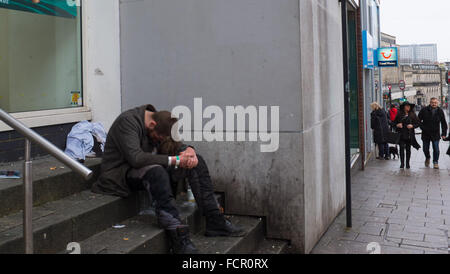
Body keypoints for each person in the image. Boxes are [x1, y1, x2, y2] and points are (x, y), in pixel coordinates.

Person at [91, 105, 244, 254]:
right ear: (152, 125)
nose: (161, 140)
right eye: (160, 137)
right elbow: (136, 159)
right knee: (156, 171)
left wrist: (189, 152)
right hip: (119, 175)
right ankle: (179, 237)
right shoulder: (127, 122)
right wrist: (176, 160)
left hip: (146, 168)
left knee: (197, 162)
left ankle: (215, 220)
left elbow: (173, 146)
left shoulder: (159, 123)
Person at [418, 98, 448, 169]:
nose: (434, 104)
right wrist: (423, 127)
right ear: (430, 103)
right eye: (432, 102)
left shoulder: (440, 111)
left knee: (436, 149)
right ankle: (427, 157)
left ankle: (435, 162)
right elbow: (418, 120)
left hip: (435, 133)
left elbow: (443, 123)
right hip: (426, 133)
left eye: (435, 103)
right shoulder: (424, 110)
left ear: (437, 103)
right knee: (425, 149)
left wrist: (444, 134)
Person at [393, 101, 421, 169]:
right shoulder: (399, 114)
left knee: (408, 149)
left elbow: (418, 123)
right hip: (401, 134)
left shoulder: (413, 114)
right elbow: (393, 123)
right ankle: (402, 164)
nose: (408, 107)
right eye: (407, 106)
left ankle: (407, 163)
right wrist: (397, 125)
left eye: (409, 106)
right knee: (401, 149)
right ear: (403, 107)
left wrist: (412, 126)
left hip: (409, 134)